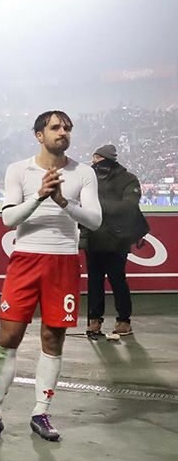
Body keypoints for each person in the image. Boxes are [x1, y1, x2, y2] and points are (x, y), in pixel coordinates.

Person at [0, 110, 101, 443]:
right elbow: (9, 218)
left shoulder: (83, 173)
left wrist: (62, 202)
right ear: (39, 135)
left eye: (68, 127)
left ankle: (41, 411)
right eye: (55, 127)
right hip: (26, 260)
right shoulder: (19, 170)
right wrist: (41, 196)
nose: (63, 132)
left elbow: (95, 220)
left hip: (63, 263)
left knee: (53, 340)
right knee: (8, 337)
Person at [81, 144, 146, 340]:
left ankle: (124, 320)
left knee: (117, 280)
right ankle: (94, 320)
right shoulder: (89, 177)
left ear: (105, 158)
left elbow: (129, 206)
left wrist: (97, 206)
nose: (94, 163)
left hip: (117, 239)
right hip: (94, 238)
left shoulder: (128, 179)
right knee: (95, 281)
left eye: (97, 159)